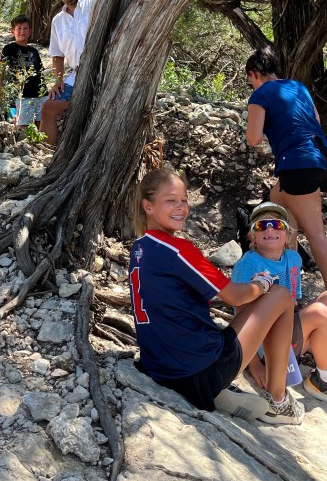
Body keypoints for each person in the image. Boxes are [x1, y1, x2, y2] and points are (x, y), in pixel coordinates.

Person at [129, 167, 304, 424]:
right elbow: (235, 296)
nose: (181, 207)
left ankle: (222, 392)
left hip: (159, 366)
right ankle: (278, 401)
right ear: (148, 206)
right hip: (198, 370)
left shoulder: (139, 248)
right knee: (281, 295)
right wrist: (262, 284)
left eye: (184, 200)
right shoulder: (177, 249)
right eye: (170, 201)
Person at [232, 202, 327, 417]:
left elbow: (294, 302)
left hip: (285, 336)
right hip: (262, 346)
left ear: (288, 234)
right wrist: (254, 364)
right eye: (262, 225)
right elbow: (239, 314)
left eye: (277, 224)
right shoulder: (247, 265)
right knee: (319, 313)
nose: (270, 229)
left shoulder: (293, 259)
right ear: (252, 237)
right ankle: (325, 381)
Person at [244, 47, 327, 301]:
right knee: (278, 210)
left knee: (315, 233)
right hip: (322, 159)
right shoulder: (299, 87)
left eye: (250, 80)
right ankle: (289, 288)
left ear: (254, 74)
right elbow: (316, 121)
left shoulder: (260, 94)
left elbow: (253, 138)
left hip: (298, 165)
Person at [41, 0, 93, 146]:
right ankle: (45, 153)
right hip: (78, 74)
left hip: (105, 70)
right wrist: (58, 81)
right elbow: (57, 55)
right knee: (48, 107)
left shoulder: (94, 4)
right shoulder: (58, 21)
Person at [0, 15, 47, 127]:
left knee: (41, 122)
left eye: (25, 28)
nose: (22, 31)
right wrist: (0, 89)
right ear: (13, 31)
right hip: (23, 93)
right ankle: (22, 139)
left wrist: (44, 90)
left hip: (41, 93)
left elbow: (40, 71)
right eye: (19, 28)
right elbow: (1, 70)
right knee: (23, 124)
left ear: (30, 31)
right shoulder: (9, 49)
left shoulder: (34, 51)